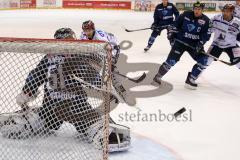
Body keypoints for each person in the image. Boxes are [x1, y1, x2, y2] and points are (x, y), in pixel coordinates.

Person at [0, 28, 131, 152]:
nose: (68, 44)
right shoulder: (50, 58)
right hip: (53, 106)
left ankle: (99, 129)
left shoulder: (80, 58)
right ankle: (33, 120)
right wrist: (27, 91)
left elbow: (94, 79)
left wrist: (100, 86)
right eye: (64, 41)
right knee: (36, 121)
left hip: (76, 106)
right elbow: (36, 74)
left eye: (70, 41)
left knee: (92, 123)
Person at [152, 1, 211, 89]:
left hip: (194, 45)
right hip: (180, 42)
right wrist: (171, 35)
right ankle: (157, 77)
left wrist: (200, 44)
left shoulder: (206, 20)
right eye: (195, 9)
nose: (197, 11)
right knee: (171, 61)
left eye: (199, 9)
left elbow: (206, 35)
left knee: (203, 61)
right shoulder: (185, 14)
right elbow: (175, 25)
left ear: (202, 10)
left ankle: (191, 79)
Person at [80, 20, 136, 106]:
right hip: (97, 51)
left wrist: (111, 62)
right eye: (85, 30)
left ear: (93, 29)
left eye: (89, 30)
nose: (87, 32)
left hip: (113, 48)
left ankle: (122, 92)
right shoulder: (83, 35)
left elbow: (110, 49)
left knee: (111, 72)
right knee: (91, 73)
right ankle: (109, 94)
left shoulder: (100, 38)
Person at [185, 4, 240, 89]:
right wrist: (199, 42)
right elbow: (207, 30)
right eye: (224, 10)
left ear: (232, 12)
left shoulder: (237, 22)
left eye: (228, 11)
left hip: (231, 45)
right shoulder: (216, 18)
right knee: (206, 61)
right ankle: (192, 77)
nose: (225, 13)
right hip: (217, 44)